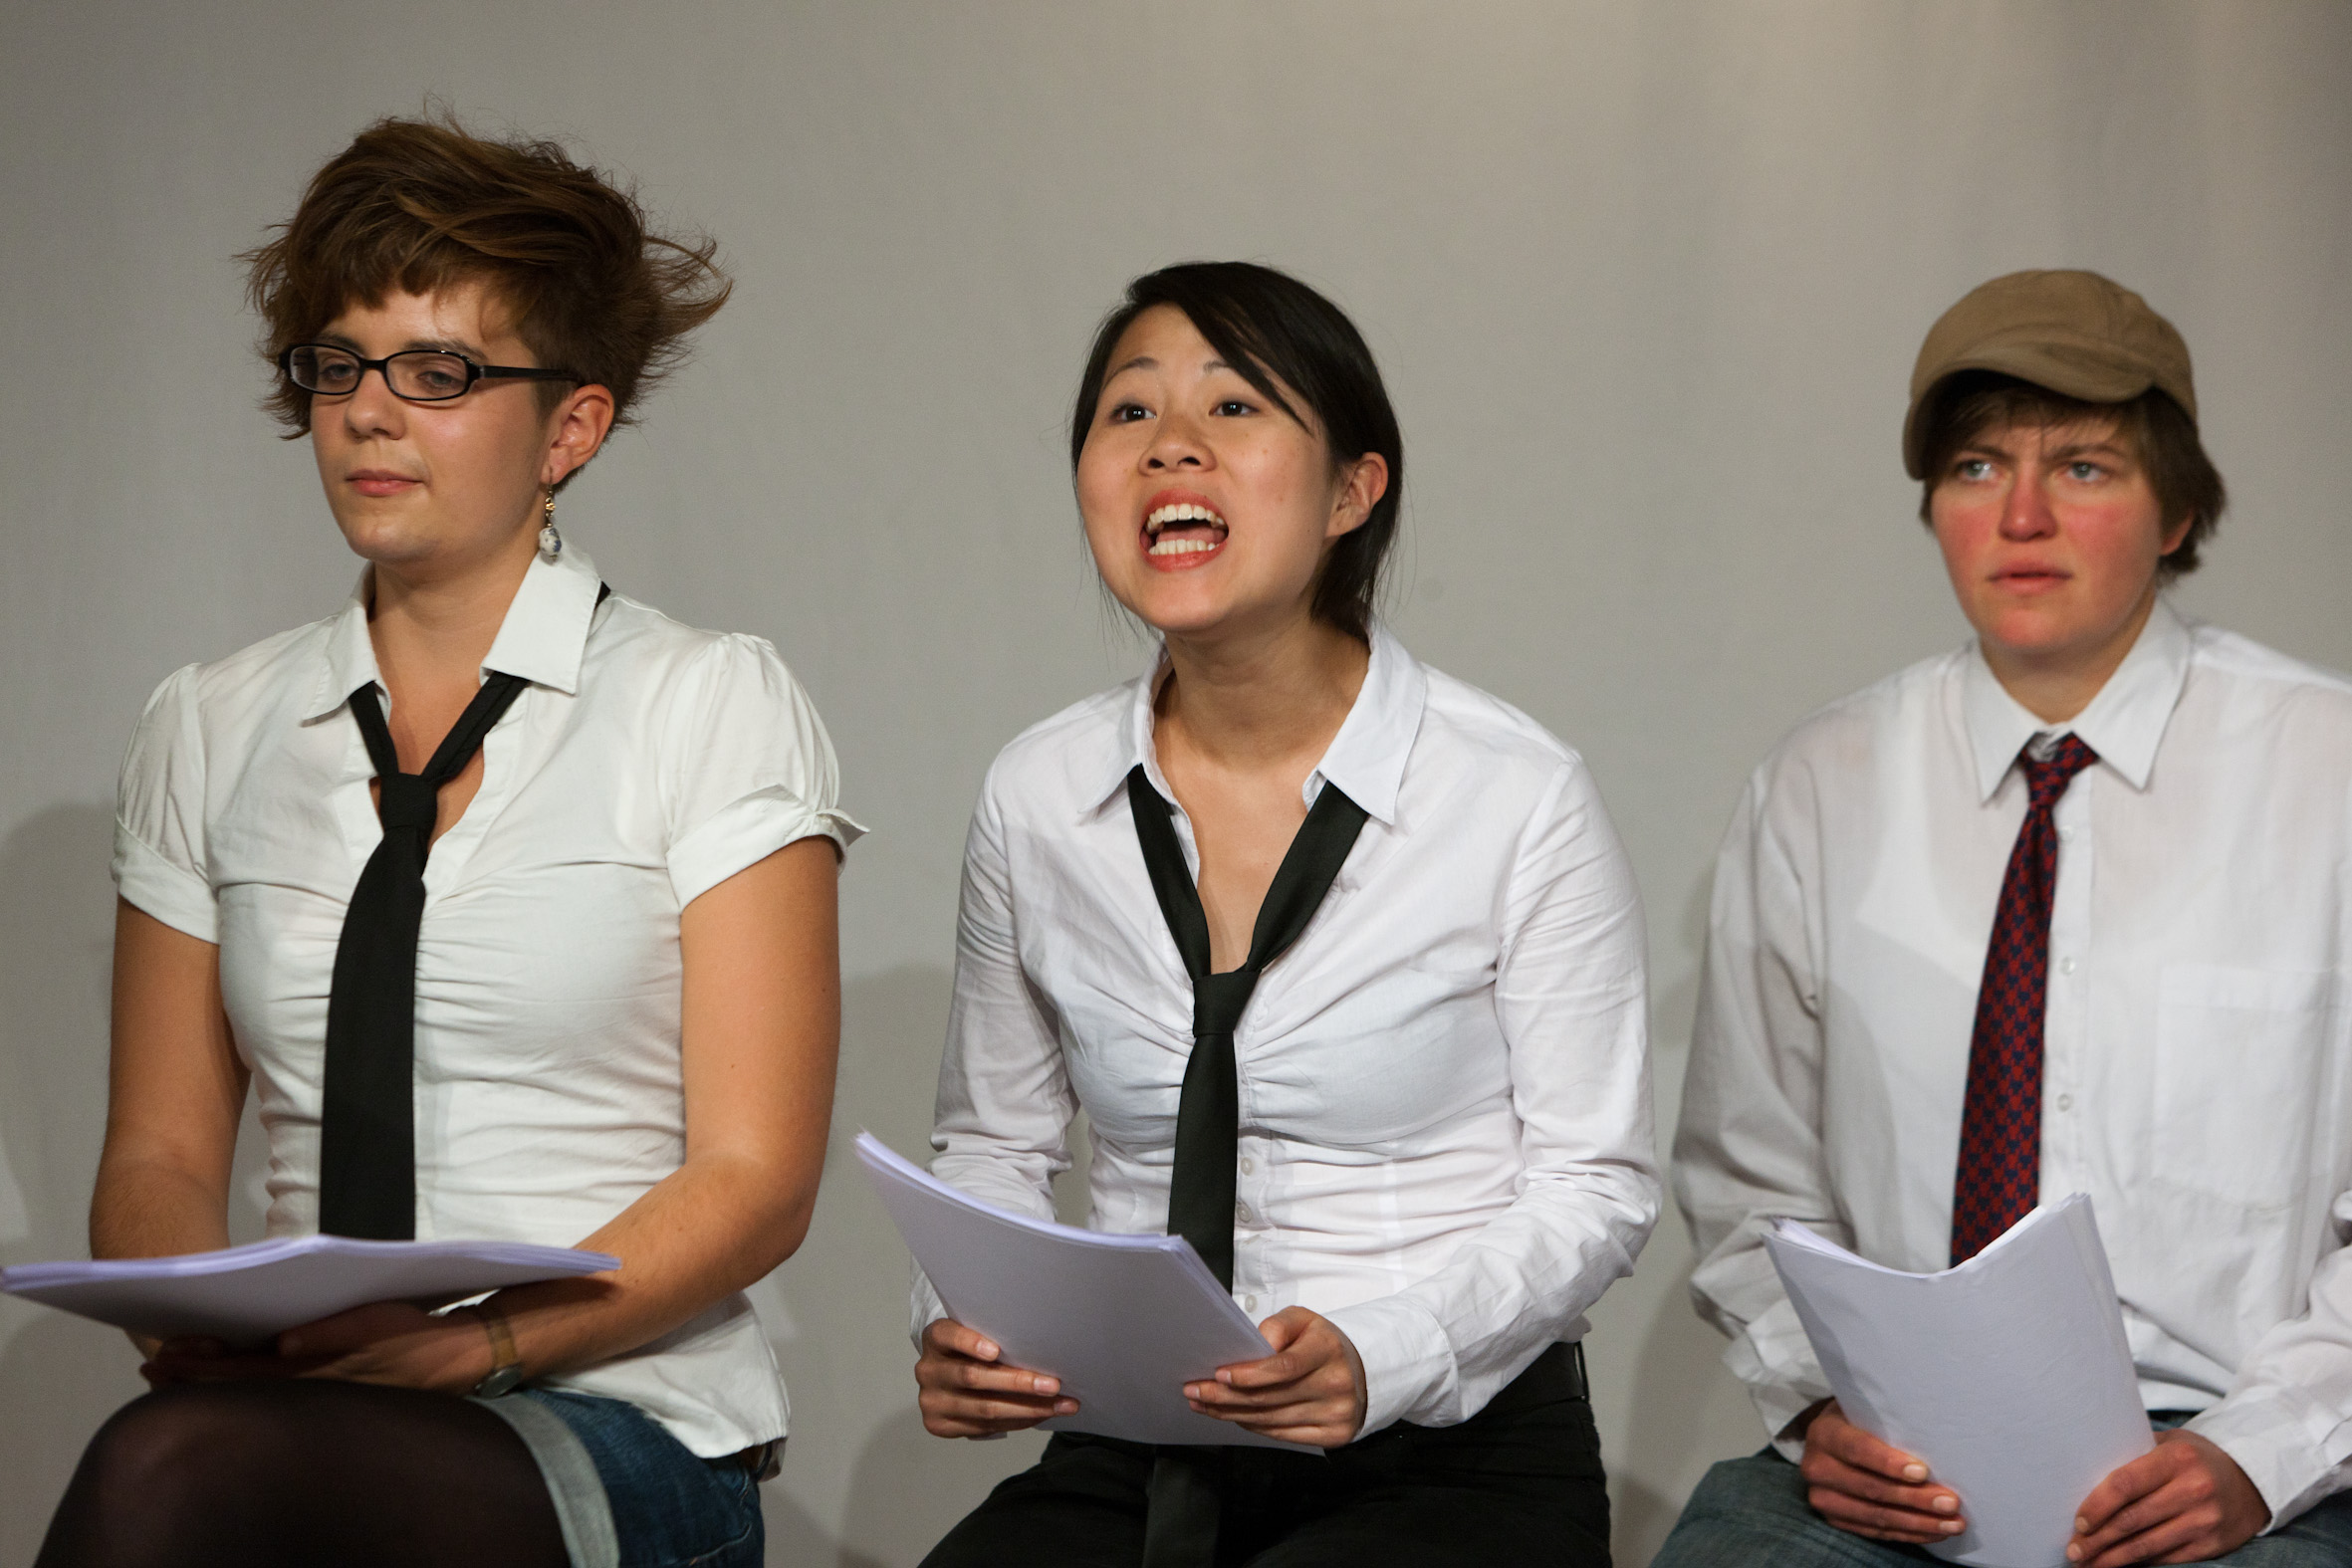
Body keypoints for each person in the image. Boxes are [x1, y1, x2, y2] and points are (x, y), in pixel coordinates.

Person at [36, 115, 856, 1568]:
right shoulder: (207, 723)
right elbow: (158, 1153)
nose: (369, 412)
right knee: (196, 1459)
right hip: (295, 1406)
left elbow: (755, 1178)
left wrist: (476, 1348)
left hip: (615, 1407)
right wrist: (204, 1325)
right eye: (339, 365)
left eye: (439, 373)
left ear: (571, 429)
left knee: (176, 1475)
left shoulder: (705, 701)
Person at [907, 261, 1657, 1568]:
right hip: (1142, 1436)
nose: (1171, 446)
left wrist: (1387, 1352)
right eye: (1128, 412)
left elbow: (1596, 1184)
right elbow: (992, 1144)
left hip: (1445, 1444)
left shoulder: (1511, 790)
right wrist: (962, 1319)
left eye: (1234, 406)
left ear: (1352, 493)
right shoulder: (1038, 794)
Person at [1656, 270, 2352, 1567]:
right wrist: (1819, 1408)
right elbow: (1748, 1176)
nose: (2021, 516)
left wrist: (2262, 1455)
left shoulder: (2328, 769)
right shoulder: (1822, 783)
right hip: (1903, 1448)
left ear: (2177, 508)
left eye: (2082, 468)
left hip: (2242, 1451)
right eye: (1976, 468)